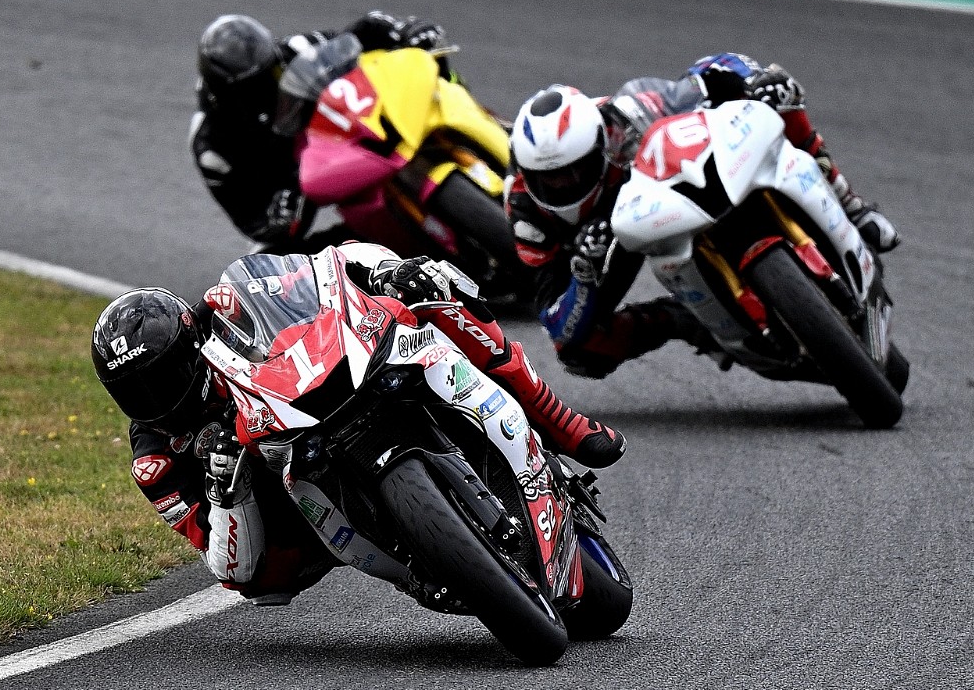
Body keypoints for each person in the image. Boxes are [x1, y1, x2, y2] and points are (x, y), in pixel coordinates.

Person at [91, 242, 624, 607]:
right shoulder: (154, 460)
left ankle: (559, 420)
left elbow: (323, 268)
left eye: (164, 378)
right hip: (288, 513)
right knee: (259, 582)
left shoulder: (221, 312)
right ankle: (414, 562)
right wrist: (225, 490)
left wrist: (384, 272)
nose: (156, 400)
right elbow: (230, 568)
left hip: (316, 392)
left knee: (430, 290)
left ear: (190, 345)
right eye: (135, 393)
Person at [505, 52, 901, 379]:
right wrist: (584, 277)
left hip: (656, 195)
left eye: (575, 171)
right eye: (550, 179)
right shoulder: (526, 212)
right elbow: (556, 322)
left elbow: (709, 70)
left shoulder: (624, 118)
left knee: (778, 98)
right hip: (603, 250)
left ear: (599, 145)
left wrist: (753, 80)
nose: (564, 184)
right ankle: (689, 321)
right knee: (579, 352)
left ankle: (852, 206)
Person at [191, 11, 452, 250]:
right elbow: (250, 222)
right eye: (256, 86)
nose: (273, 83)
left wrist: (401, 30)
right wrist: (277, 215)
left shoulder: (293, 51)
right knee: (263, 259)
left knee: (427, 67)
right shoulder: (212, 146)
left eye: (273, 71)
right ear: (227, 94)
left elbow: (356, 37)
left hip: (360, 129)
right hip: (313, 179)